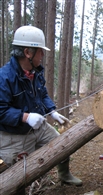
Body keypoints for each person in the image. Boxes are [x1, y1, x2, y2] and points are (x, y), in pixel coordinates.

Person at [0, 26, 82, 188]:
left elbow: (42, 94)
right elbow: (1, 111)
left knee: (62, 144)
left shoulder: (35, 72)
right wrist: (26, 117)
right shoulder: (4, 77)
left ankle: (64, 174)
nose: (43, 55)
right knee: (18, 177)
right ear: (27, 53)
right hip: (14, 134)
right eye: (40, 51)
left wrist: (52, 111)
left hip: (38, 128)